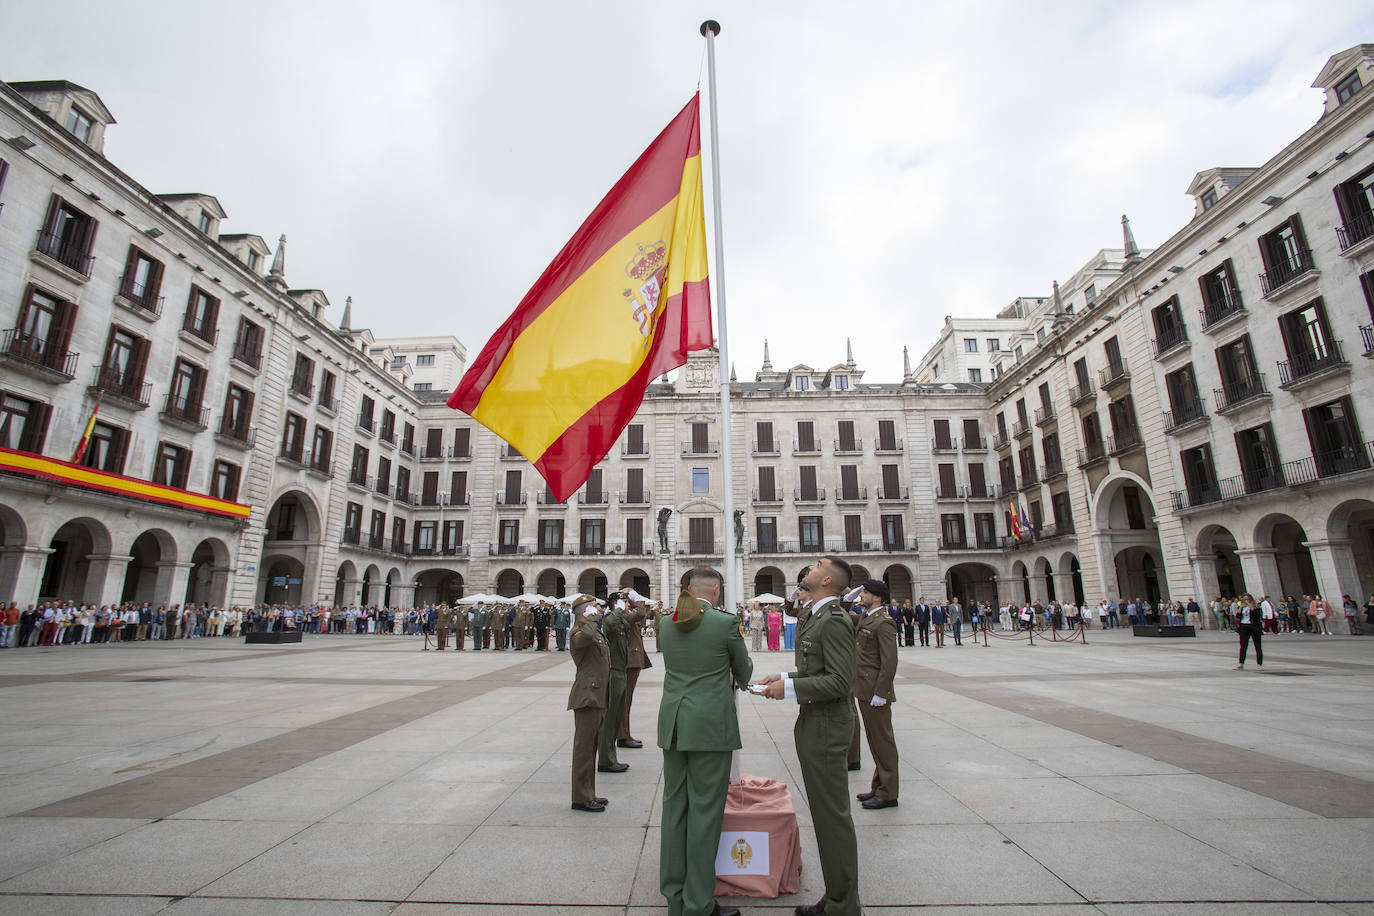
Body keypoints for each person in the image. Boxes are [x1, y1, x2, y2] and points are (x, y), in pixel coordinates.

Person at [755, 555, 861, 916]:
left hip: (828, 725)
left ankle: (843, 906)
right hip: (816, 720)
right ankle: (836, 898)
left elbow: (840, 681)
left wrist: (786, 691)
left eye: (818, 565)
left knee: (832, 817)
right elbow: (815, 669)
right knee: (826, 815)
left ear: (828, 580)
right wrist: (784, 679)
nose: (811, 568)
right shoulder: (817, 614)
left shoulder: (832, 620)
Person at [657, 567, 752, 916]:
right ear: (715, 589)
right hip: (710, 727)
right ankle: (698, 903)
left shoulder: (667, 622)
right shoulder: (724, 623)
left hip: (674, 725)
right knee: (705, 812)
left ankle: (674, 896)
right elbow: (744, 672)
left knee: (674, 809)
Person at [847, 579, 899, 809]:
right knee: (873, 740)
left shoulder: (884, 623)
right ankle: (878, 787)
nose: (862, 596)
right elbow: (844, 616)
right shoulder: (868, 618)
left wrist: (882, 692)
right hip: (865, 689)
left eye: (865, 593)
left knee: (883, 742)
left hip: (875, 692)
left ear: (877, 597)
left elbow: (889, 662)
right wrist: (847, 599)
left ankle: (888, 793)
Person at [567, 595, 610, 812]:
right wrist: (590, 621)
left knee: (591, 748)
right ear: (584, 611)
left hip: (597, 695)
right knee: (583, 750)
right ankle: (580, 797)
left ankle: (589, 792)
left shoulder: (593, 630)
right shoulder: (578, 632)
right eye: (594, 607)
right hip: (587, 696)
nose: (600, 609)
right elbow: (585, 639)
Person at [597, 594, 632, 774]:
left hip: (621, 671)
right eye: (624, 602)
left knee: (616, 717)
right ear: (615, 604)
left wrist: (627, 607)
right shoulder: (610, 619)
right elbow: (609, 623)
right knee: (610, 719)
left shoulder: (621, 619)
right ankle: (605, 760)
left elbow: (634, 619)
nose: (627, 605)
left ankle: (610, 757)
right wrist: (618, 608)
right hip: (613, 672)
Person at [1235, 594, 1263, 670]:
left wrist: (1249, 605)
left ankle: (1259, 664)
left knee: (1257, 646)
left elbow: (1256, 615)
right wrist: (1240, 607)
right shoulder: (1242, 607)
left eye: (1247, 599)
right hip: (1244, 626)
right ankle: (1241, 663)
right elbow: (1238, 616)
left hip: (1253, 627)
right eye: (1244, 599)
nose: (1245, 601)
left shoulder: (1255, 606)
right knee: (1243, 646)